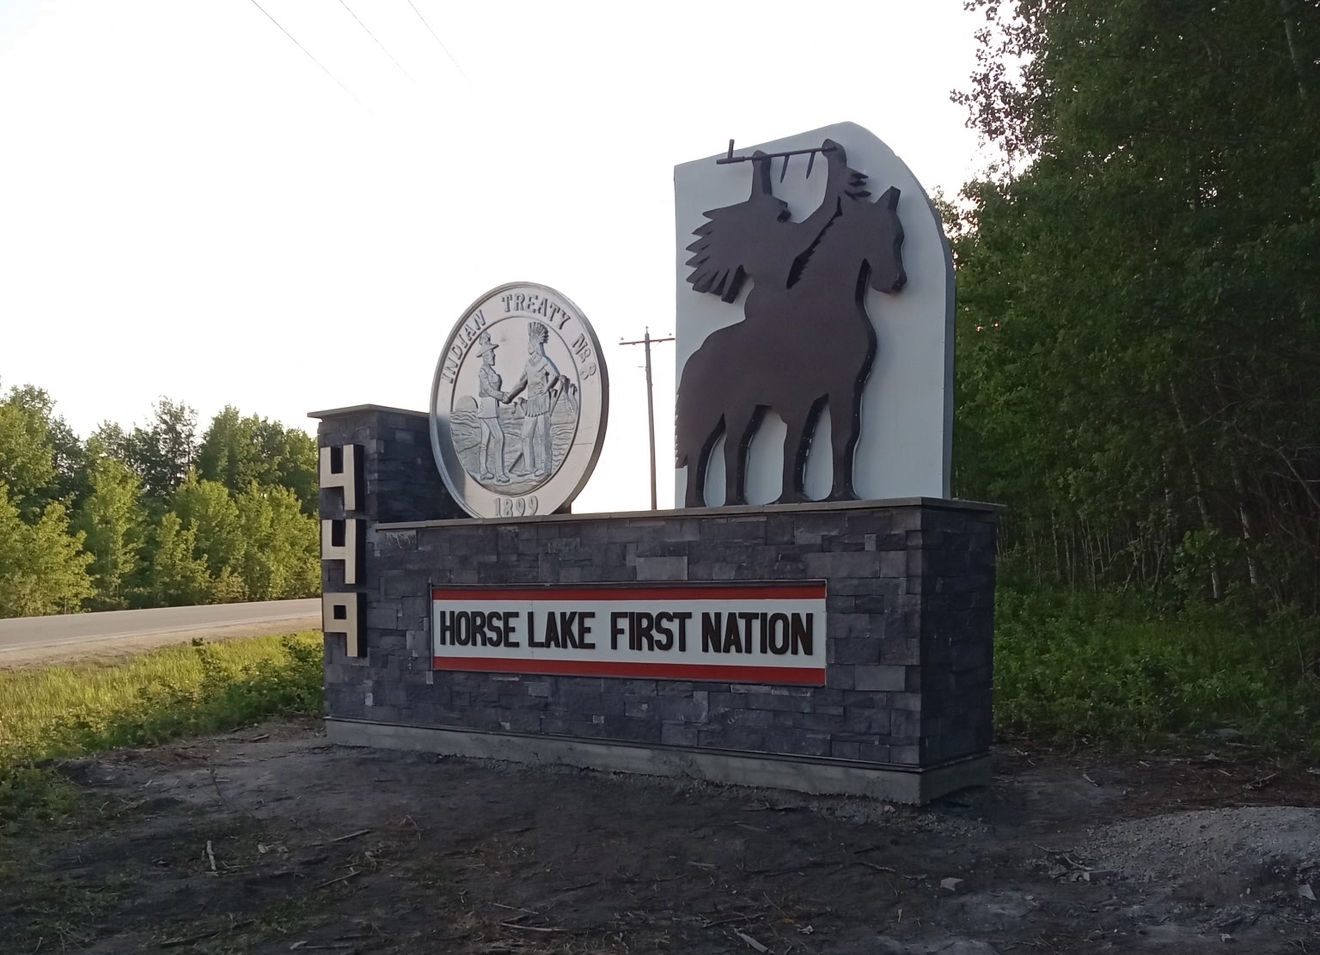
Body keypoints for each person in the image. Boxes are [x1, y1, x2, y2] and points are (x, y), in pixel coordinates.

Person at [505, 322, 562, 477]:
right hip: (531, 403)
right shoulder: (528, 363)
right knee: (526, 435)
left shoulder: (544, 361)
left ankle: (545, 468)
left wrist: (546, 388)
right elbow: (521, 382)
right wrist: (509, 395)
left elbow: (555, 375)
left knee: (543, 435)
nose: (528, 345)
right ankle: (529, 467)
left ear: (535, 343)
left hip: (542, 401)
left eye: (529, 342)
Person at [473, 332, 510, 483]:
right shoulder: (483, 371)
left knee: (485, 441)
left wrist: (502, 395)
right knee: (499, 438)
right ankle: (499, 473)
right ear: (485, 355)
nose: (494, 355)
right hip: (487, 408)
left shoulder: (490, 371)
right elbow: (488, 389)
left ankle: (483, 472)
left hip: (490, 407)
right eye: (491, 352)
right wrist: (502, 396)